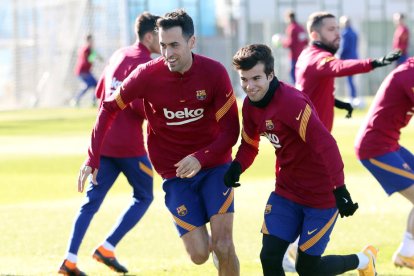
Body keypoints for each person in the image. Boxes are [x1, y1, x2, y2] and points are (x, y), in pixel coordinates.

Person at [77, 9, 240, 275]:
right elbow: (108, 107)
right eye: (163, 45)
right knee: (199, 255)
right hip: (174, 174)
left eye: (174, 45)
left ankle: (224, 257)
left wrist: (201, 157)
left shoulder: (214, 73)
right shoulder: (147, 74)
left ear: (191, 42)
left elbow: (231, 132)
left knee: (223, 245)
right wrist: (92, 158)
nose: (167, 53)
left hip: (214, 167)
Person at [226, 43, 377, 276]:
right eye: (244, 80)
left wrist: (340, 190)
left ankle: (363, 260)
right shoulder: (249, 106)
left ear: (270, 74)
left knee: (308, 269)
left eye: (256, 78)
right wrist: (237, 166)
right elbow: (249, 145)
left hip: (321, 196)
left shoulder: (291, 103)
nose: (249, 86)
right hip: (286, 192)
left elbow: (327, 145)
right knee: (269, 257)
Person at [58, 12, 160, 275]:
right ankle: (107, 247)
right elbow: (139, 106)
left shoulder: (118, 55)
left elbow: (100, 92)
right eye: (161, 37)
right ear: (149, 36)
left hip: (103, 144)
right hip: (129, 147)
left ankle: (69, 259)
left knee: (90, 203)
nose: (165, 42)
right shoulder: (145, 64)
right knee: (145, 196)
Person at [295, 11, 401, 132]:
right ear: (315, 36)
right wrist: (374, 63)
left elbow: (311, 92)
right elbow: (339, 66)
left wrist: (339, 104)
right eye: (331, 29)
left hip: (310, 132)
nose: (338, 34)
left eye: (337, 29)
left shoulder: (306, 54)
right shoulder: (317, 58)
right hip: (311, 136)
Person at [355, 57, 414, 270]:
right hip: (375, 148)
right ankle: (406, 252)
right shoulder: (410, 73)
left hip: (389, 144)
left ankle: (407, 253)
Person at [72, 34, 103, 107]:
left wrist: (96, 56)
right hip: (83, 71)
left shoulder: (88, 49)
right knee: (93, 85)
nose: (92, 42)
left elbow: (90, 59)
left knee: (93, 85)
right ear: (88, 41)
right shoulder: (86, 49)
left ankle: (80, 100)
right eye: (91, 40)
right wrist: (95, 55)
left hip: (85, 71)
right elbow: (88, 60)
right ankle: (76, 99)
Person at [338, 16, 361, 108]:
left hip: (348, 58)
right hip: (355, 57)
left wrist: (339, 56)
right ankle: (354, 97)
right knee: (352, 79)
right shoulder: (354, 32)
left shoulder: (345, 33)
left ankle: (352, 97)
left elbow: (344, 47)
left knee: (349, 79)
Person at [281, 10, 308, 84]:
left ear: (288, 18)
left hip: (294, 56)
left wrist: (282, 43)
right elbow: (306, 41)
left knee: (293, 75)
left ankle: (296, 92)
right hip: (302, 56)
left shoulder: (291, 28)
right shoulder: (301, 28)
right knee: (300, 75)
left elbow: (290, 43)